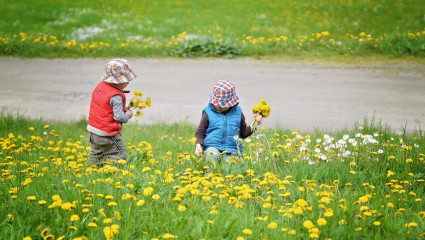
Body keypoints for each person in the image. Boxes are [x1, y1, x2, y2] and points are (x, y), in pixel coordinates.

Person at [195, 79, 262, 163]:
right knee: (212, 156)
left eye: (222, 106)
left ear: (231, 103)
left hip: (232, 149)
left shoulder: (238, 112)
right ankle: (209, 173)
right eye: (216, 104)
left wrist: (255, 124)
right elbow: (200, 132)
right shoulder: (208, 112)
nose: (218, 106)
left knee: (230, 164)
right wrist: (199, 144)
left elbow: (243, 133)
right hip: (212, 146)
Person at [87, 58, 137, 167]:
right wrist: (127, 115)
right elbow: (118, 117)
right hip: (107, 134)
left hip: (93, 130)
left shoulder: (100, 87)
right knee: (119, 154)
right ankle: (116, 175)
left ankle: (90, 172)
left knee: (96, 154)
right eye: (126, 80)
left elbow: (105, 107)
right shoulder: (116, 96)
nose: (128, 82)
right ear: (117, 81)